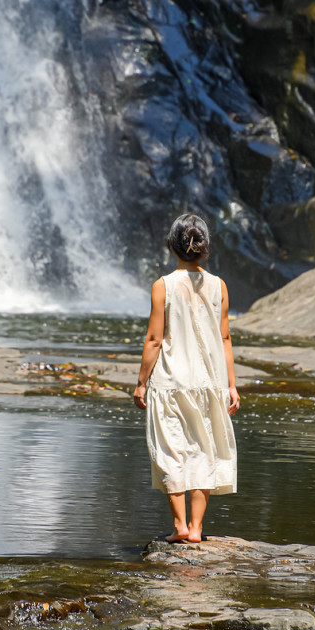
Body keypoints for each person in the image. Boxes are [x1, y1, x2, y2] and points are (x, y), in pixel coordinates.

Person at [133, 214, 239, 542]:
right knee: (204, 450)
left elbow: (154, 339)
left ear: (173, 245)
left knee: (170, 452)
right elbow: (224, 338)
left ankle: (178, 527)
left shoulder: (162, 285)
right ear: (205, 246)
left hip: (170, 381)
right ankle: (197, 528)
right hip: (209, 383)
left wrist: (141, 382)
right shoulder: (219, 285)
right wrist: (232, 385)